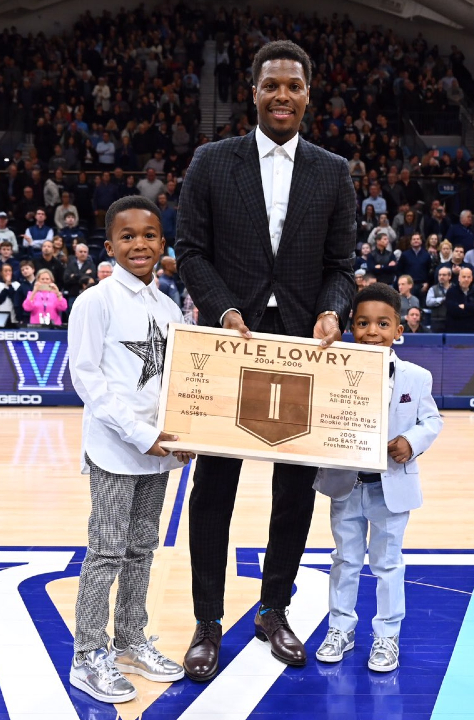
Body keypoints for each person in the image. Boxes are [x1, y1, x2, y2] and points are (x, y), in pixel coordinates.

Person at [175, 39, 356, 680]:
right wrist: (224, 310)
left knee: (293, 492)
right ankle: (205, 620)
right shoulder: (211, 161)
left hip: (305, 349)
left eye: (294, 86)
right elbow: (191, 250)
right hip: (231, 343)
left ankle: (273, 608)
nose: (283, 95)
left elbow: (341, 267)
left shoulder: (333, 170)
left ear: (309, 94)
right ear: (252, 91)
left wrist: (333, 312)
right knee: (214, 489)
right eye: (271, 85)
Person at [66, 196, 190, 703]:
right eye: (127, 236)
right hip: (116, 452)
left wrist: (186, 435)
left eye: (149, 235)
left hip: (158, 455)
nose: (139, 243)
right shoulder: (95, 301)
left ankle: (131, 640)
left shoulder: (168, 307)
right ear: (110, 245)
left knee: (142, 549)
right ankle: (87, 654)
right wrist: (140, 435)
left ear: (163, 243)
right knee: (106, 552)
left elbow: (183, 383)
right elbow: (87, 379)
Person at [312, 282, 442, 672]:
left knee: (388, 564)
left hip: (391, 485)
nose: (372, 331)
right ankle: (340, 628)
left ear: (399, 330)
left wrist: (412, 441)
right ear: (351, 327)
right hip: (346, 483)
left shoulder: (416, 377)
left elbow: (432, 420)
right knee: (345, 560)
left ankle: (387, 635)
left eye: (383, 324)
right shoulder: (331, 371)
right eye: (363, 323)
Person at [441, 266, 474, 333]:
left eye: (468, 277)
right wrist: (473, 307)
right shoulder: (451, 291)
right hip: (454, 330)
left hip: (471, 330)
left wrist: (464, 306)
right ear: (459, 278)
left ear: (472, 278)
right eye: (464, 277)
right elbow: (453, 311)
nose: (466, 279)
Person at [424, 266, 452, 332]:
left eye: (444, 275)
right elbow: (428, 302)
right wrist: (442, 299)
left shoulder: (454, 289)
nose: (441, 277)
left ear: (449, 277)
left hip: (451, 321)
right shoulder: (433, 289)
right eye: (439, 275)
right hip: (437, 321)